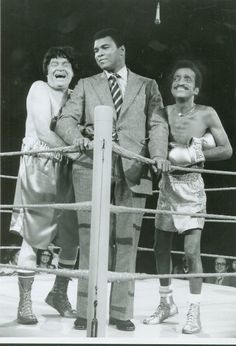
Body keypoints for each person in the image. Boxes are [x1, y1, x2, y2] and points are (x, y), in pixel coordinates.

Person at [54, 28, 169, 331]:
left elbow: (157, 124)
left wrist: (158, 154)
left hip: (134, 170)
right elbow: (65, 120)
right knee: (88, 238)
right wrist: (77, 137)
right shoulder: (85, 85)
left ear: (122, 49)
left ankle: (120, 312)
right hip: (90, 167)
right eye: (95, 50)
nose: (99, 54)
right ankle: (84, 310)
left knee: (127, 242)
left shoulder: (148, 86)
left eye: (105, 47)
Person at [143, 60, 233, 334]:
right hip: (168, 185)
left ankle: (194, 310)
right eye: (176, 77)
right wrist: (162, 156)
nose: (180, 81)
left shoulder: (206, 113)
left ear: (196, 88)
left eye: (187, 79)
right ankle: (166, 302)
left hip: (192, 186)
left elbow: (227, 149)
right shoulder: (162, 112)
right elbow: (155, 144)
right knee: (160, 247)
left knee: (192, 251)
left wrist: (196, 154)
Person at [10, 46, 79, 325]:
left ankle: (59, 294)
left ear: (72, 72)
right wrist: (78, 151)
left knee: (72, 237)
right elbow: (42, 130)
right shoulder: (39, 88)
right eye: (54, 63)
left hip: (68, 168)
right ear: (47, 71)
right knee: (32, 236)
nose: (59, 67)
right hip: (40, 165)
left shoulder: (75, 96)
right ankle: (24, 302)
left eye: (65, 63)